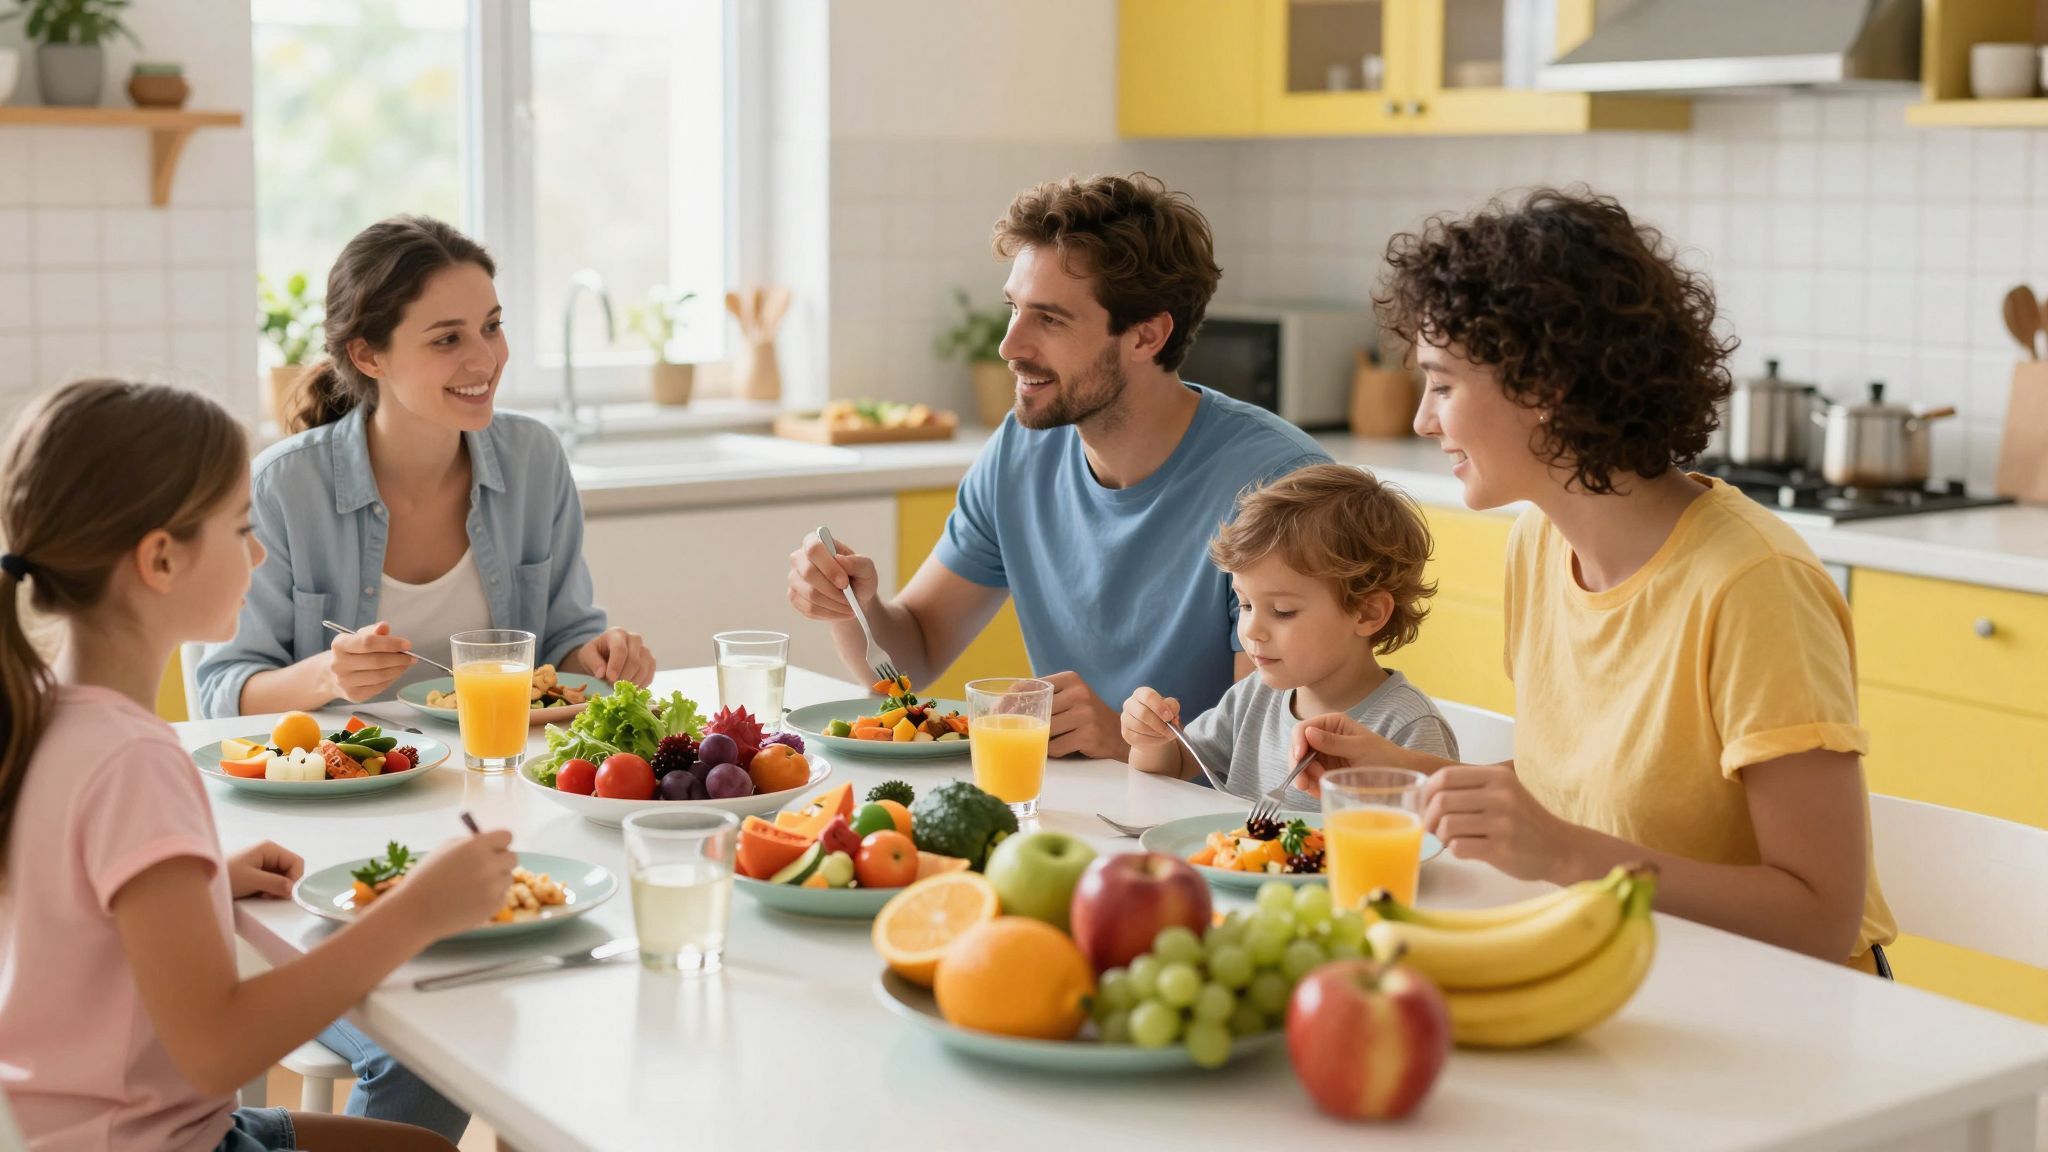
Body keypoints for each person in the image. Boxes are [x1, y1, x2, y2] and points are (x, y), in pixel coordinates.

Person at [1293, 188, 1896, 972]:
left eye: (1442, 384)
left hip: (1790, 1010)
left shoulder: (1752, 585)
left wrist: (1566, 855)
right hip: (1625, 970)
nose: (1422, 421)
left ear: (1546, 388)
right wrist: (1415, 777)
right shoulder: (1538, 543)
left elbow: (1819, 917)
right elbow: (1584, 793)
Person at [0, 378, 517, 1152]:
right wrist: (418, 912)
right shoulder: (136, 759)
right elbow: (218, 1049)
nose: (260, 552)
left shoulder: (40, 715)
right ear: (161, 560)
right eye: (241, 528)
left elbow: (68, 900)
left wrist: (197, 877)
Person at [788, 174, 1327, 758]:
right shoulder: (1021, 449)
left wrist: (1125, 744)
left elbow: (1274, 756)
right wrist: (854, 609)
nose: (1009, 346)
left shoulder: (1282, 487)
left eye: (1049, 319)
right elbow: (912, 656)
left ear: (1147, 335)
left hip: (1207, 837)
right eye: (1014, 309)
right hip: (1077, 814)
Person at [195, 214, 653, 722]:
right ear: (369, 356)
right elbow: (221, 691)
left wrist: (594, 657)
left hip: (499, 767)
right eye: (446, 340)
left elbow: (563, 643)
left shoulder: (534, 460)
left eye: (491, 327)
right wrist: (328, 675)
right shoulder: (281, 488)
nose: (485, 360)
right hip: (342, 787)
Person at [1123, 464, 1456, 809]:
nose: (1251, 629)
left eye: (1282, 611)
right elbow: (1174, 766)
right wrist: (1152, 741)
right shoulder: (1255, 695)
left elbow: (1430, 844)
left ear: (1367, 613)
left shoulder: (1407, 727)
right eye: (1245, 604)